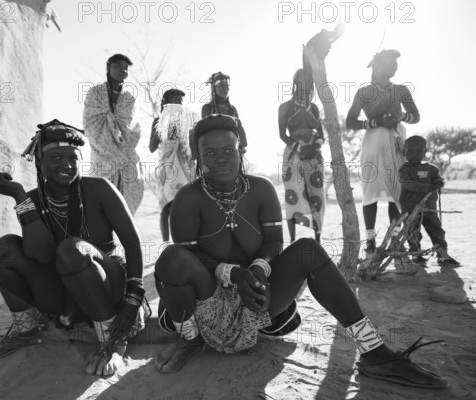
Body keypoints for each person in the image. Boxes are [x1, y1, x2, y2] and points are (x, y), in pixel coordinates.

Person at [152, 114, 447, 390]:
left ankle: (374, 351)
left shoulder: (261, 190)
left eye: (228, 150)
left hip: (259, 299)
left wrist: (256, 270)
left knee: (307, 249)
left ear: (241, 150)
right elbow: (187, 260)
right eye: (210, 154)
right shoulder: (188, 198)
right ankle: (188, 339)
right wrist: (232, 273)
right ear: (198, 158)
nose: (220, 160)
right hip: (207, 303)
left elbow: (273, 243)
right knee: (170, 258)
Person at [0, 119, 149, 377]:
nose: (67, 164)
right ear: (40, 162)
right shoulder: (34, 199)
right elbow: (41, 254)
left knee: (72, 250)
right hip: (66, 296)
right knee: (4, 249)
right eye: (57, 157)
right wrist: (19, 195)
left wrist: (133, 298)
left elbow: (132, 243)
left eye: (73, 158)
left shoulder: (99, 189)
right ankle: (26, 330)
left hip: (108, 287)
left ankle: (112, 339)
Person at [346, 50, 421, 259]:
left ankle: (395, 239)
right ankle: (370, 241)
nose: (394, 67)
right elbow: (350, 122)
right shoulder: (364, 92)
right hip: (373, 145)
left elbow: (416, 116)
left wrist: (402, 115)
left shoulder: (401, 90)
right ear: (376, 66)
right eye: (389, 63)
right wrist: (377, 122)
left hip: (397, 143)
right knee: (370, 193)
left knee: (395, 193)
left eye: (395, 63)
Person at [83, 53, 144, 216]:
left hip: (125, 153)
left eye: (125, 68)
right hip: (102, 153)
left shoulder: (129, 98)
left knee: (129, 190)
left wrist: (122, 144)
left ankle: (123, 233)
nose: (122, 71)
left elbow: (131, 126)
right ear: (108, 68)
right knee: (101, 200)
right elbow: (90, 122)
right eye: (117, 66)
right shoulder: (95, 93)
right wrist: (109, 144)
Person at [278, 68, 325, 243]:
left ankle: (318, 238)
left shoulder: (313, 107)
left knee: (316, 194)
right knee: (293, 193)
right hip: (293, 154)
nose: (304, 82)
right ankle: (291, 240)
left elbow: (321, 135)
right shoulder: (285, 107)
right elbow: (283, 135)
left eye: (308, 79)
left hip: (314, 154)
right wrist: (300, 148)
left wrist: (315, 147)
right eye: (300, 79)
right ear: (295, 82)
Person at [399, 136, 460, 266]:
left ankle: (442, 255)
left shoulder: (432, 168)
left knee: (436, 231)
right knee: (413, 232)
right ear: (404, 151)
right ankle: (416, 254)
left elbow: (439, 179)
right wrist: (427, 187)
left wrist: (439, 182)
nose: (414, 154)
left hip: (430, 208)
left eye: (418, 151)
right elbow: (408, 184)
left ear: (424, 151)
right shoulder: (404, 169)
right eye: (410, 151)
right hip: (411, 209)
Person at [149, 88, 197, 242]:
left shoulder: (187, 122)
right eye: (174, 101)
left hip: (184, 166)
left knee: (187, 204)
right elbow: (151, 147)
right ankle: (165, 243)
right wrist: (162, 125)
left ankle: (188, 241)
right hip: (166, 167)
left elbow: (192, 145)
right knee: (165, 208)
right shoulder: (158, 121)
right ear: (165, 103)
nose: (178, 104)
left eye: (180, 102)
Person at [201, 72, 248, 153]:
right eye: (221, 86)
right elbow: (205, 132)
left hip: (232, 149)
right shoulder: (207, 108)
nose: (225, 89)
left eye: (226, 86)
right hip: (213, 150)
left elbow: (239, 129)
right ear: (214, 89)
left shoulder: (232, 109)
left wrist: (242, 146)